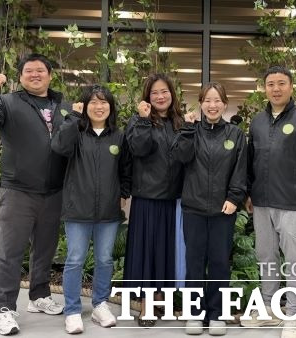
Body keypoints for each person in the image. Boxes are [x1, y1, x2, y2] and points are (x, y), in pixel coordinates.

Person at [0, 53, 68, 335]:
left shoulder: (62, 104)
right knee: (9, 253)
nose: (35, 75)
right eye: (29, 71)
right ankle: (3, 308)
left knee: (45, 250)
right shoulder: (7, 102)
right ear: (21, 76)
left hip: (53, 191)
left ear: (50, 75)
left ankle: (38, 296)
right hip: (18, 192)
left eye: (40, 70)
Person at [241, 65, 296, 338]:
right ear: (264, 88)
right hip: (261, 201)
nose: (276, 88)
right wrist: (247, 192)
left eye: (281, 83)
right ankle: (269, 309)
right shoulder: (257, 121)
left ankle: (292, 314)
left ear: (291, 87)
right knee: (266, 256)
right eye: (271, 84)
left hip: (292, 201)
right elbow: (250, 160)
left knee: (294, 259)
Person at [51, 85, 132, 334]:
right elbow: (59, 148)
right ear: (85, 107)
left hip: (108, 210)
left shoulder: (118, 136)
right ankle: (73, 310)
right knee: (75, 260)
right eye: (94, 102)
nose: (99, 107)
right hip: (78, 209)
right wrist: (72, 119)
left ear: (111, 107)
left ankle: (99, 304)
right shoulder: (76, 131)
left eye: (104, 102)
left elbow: (126, 169)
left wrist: (123, 194)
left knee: (105, 259)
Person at [172, 82, 247, 336]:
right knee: (194, 263)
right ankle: (194, 314)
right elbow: (180, 157)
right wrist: (187, 130)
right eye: (207, 101)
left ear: (225, 104)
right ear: (201, 104)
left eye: (217, 101)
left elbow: (240, 170)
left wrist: (234, 198)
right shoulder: (192, 130)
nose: (212, 105)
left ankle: (216, 314)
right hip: (193, 208)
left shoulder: (235, 134)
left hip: (223, 211)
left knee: (219, 263)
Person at [123, 73, 185, 327]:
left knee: (166, 253)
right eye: (155, 93)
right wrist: (144, 119)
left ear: (172, 95)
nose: (160, 97)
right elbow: (139, 148)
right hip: (147, 199)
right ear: (147, 97)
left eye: (165, 92)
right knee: (147, 253)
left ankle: (162, 300)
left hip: (175, 200)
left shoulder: (180, 122)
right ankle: (146, 307)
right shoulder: (138, 122)